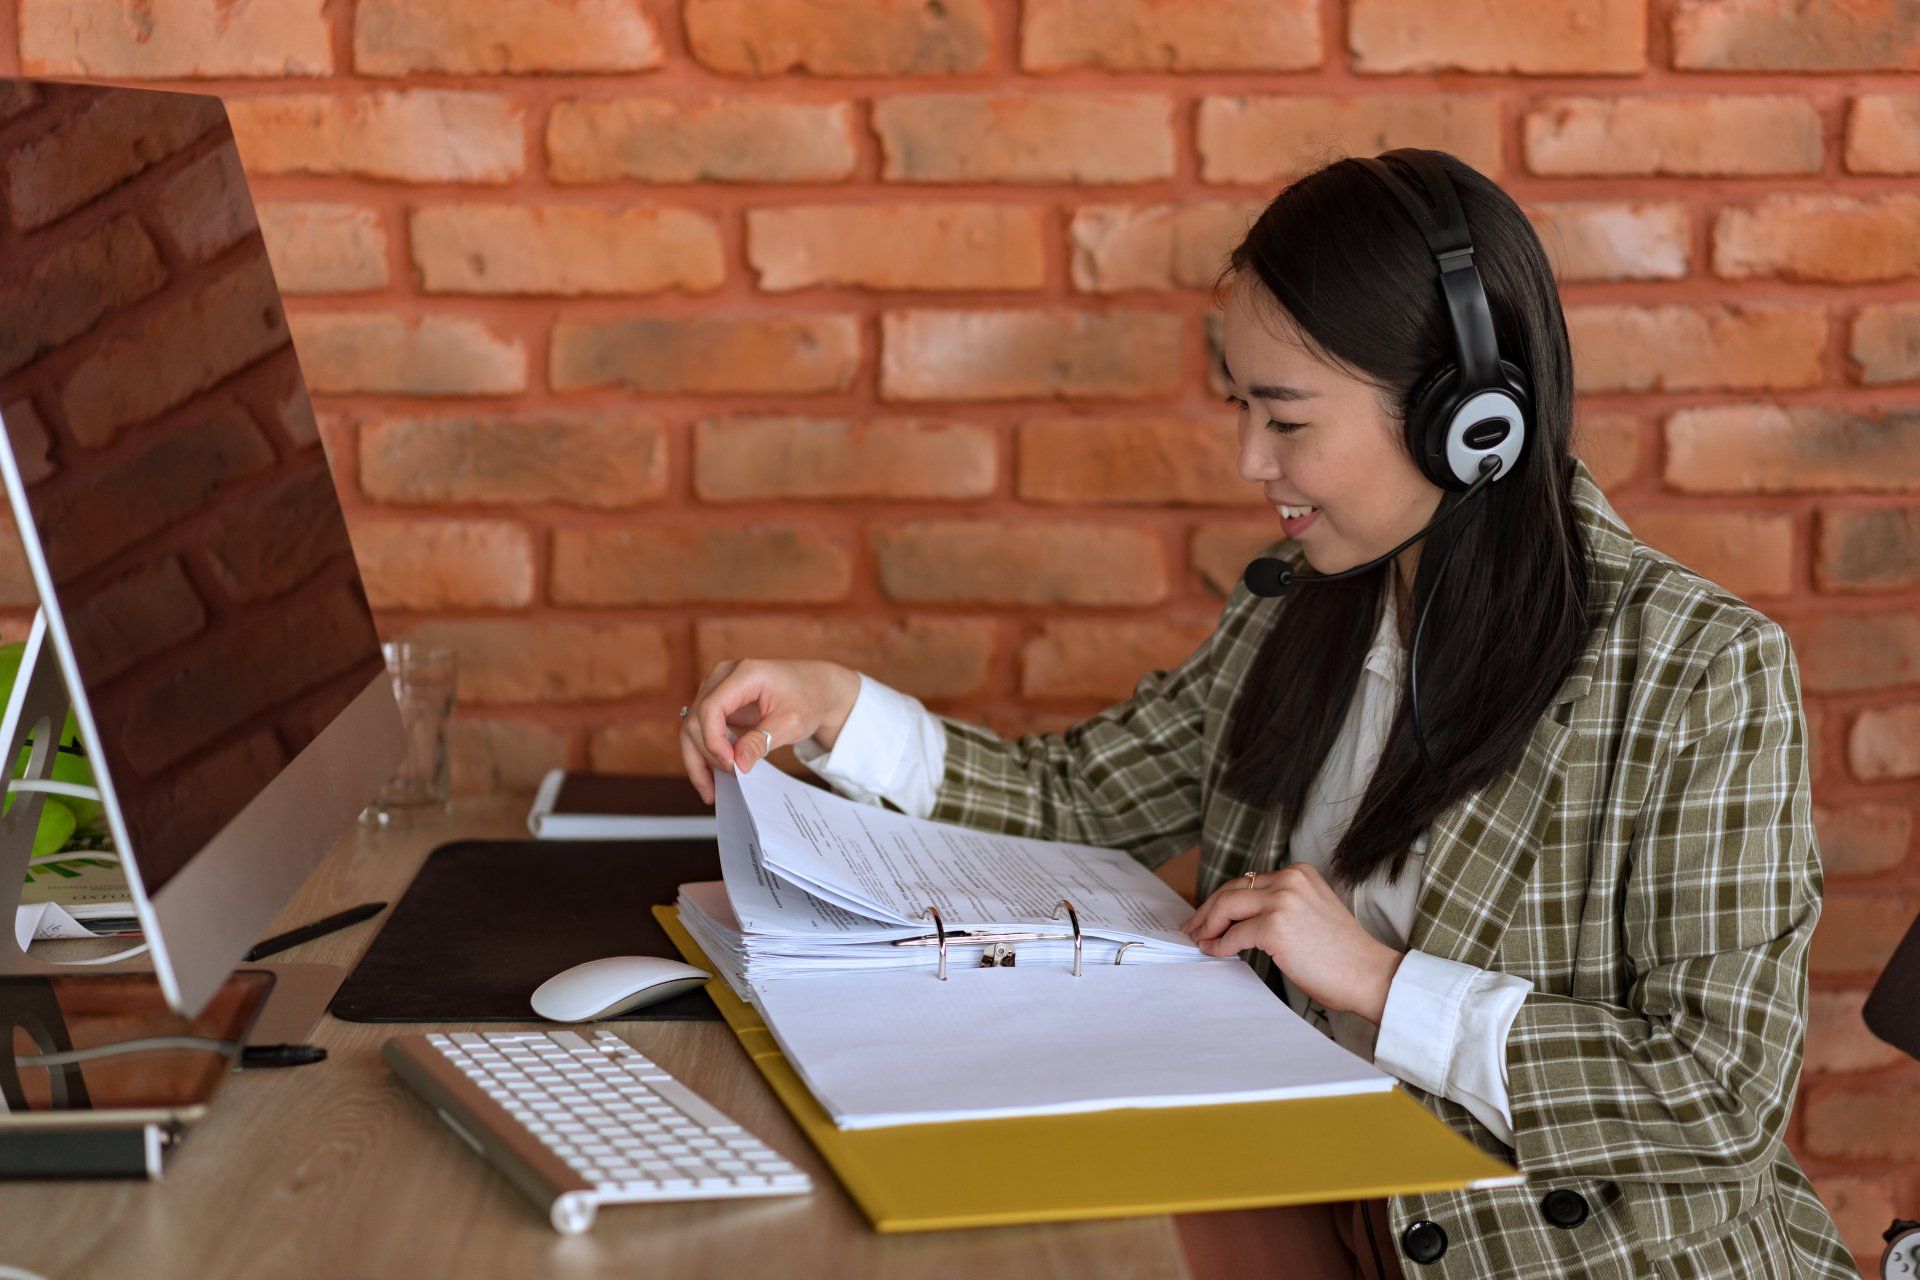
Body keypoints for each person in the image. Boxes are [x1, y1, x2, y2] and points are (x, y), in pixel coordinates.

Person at [676, 149, 1857, 1280]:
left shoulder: (1701, 671)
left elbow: (1719, 1089)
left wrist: (1383, 983)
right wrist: (835, 706)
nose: (1250, 458)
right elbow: (1078, 798)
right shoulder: (1304, 608)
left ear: (1470, 421)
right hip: (1309, 1203)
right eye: (1241, 406)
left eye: (1287, 420)